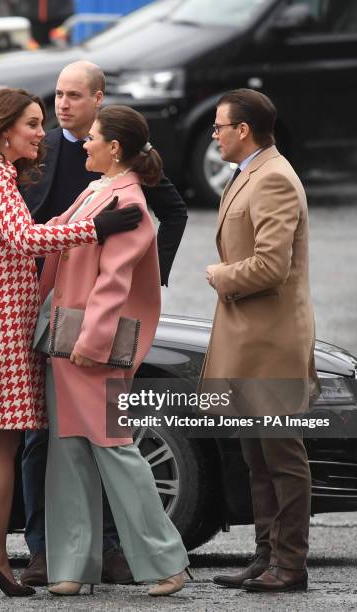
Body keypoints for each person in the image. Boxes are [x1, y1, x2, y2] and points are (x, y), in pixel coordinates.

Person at [0, 87, 142, 598]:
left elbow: (23, 233)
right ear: (4, 130)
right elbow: (25, 238)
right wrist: (94, 228)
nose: (42, 134)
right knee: (3, 444)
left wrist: (78, 223)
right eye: (32, 124)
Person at [19, 60, 188, 587]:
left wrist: (90, 344)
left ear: (114, 148)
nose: (82, 144)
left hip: (89, 349)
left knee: (117, 453)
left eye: (91, 138)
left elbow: (113, 286)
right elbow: (55, 234)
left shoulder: (128, 199)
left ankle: (166, 563)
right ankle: (71, 568)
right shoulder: (100, 191)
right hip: (66, 345)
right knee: (68, 455)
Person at [201, 88, 318, 592]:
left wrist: (221, 275)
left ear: (243, 130)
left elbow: (272, 266)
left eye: (219, 126)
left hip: (271, 342)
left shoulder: (274, 179)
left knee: (282, 457)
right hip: (250, 339)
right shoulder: (252, 172)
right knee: (256, 456)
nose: (214, 134)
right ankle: (266, 555)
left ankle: (290, 565)